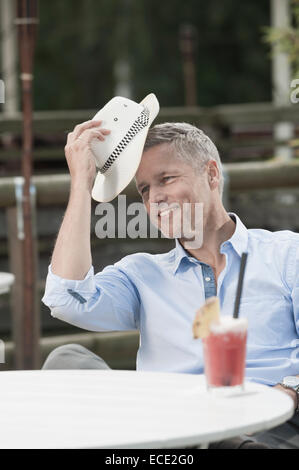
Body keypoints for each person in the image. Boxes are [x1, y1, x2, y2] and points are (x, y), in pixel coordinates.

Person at [42, 119, 299, 449]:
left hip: (267, 426)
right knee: (66, 360)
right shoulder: (141, 274)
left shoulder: (286, 255)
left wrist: (289, 389)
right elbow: (65, 299)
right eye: (146, 190)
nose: (156, 199)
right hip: (169, 426)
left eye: (167, 179)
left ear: (212, 175)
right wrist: (81, 185)